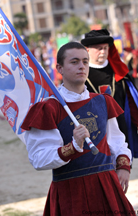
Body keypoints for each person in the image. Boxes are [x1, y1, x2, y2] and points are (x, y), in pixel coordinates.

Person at [21, 42, 135, 216]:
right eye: (74, 62)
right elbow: (39, 159)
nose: (81, 66)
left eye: (85, 61)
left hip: (107, 187)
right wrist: (73, 146)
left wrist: (123, 167)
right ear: (59, 67)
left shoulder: (103, 101)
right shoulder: (49, 108)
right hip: (71, 192)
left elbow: (117, 142)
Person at [81, 29, 138, 159]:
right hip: (93, 133)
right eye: (98, 48)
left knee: (122, 174)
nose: (103, 52)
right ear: (87, 50)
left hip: (121, 132)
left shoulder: (120, 75)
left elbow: (131, 104)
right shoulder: (80, 75)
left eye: (105, 48)